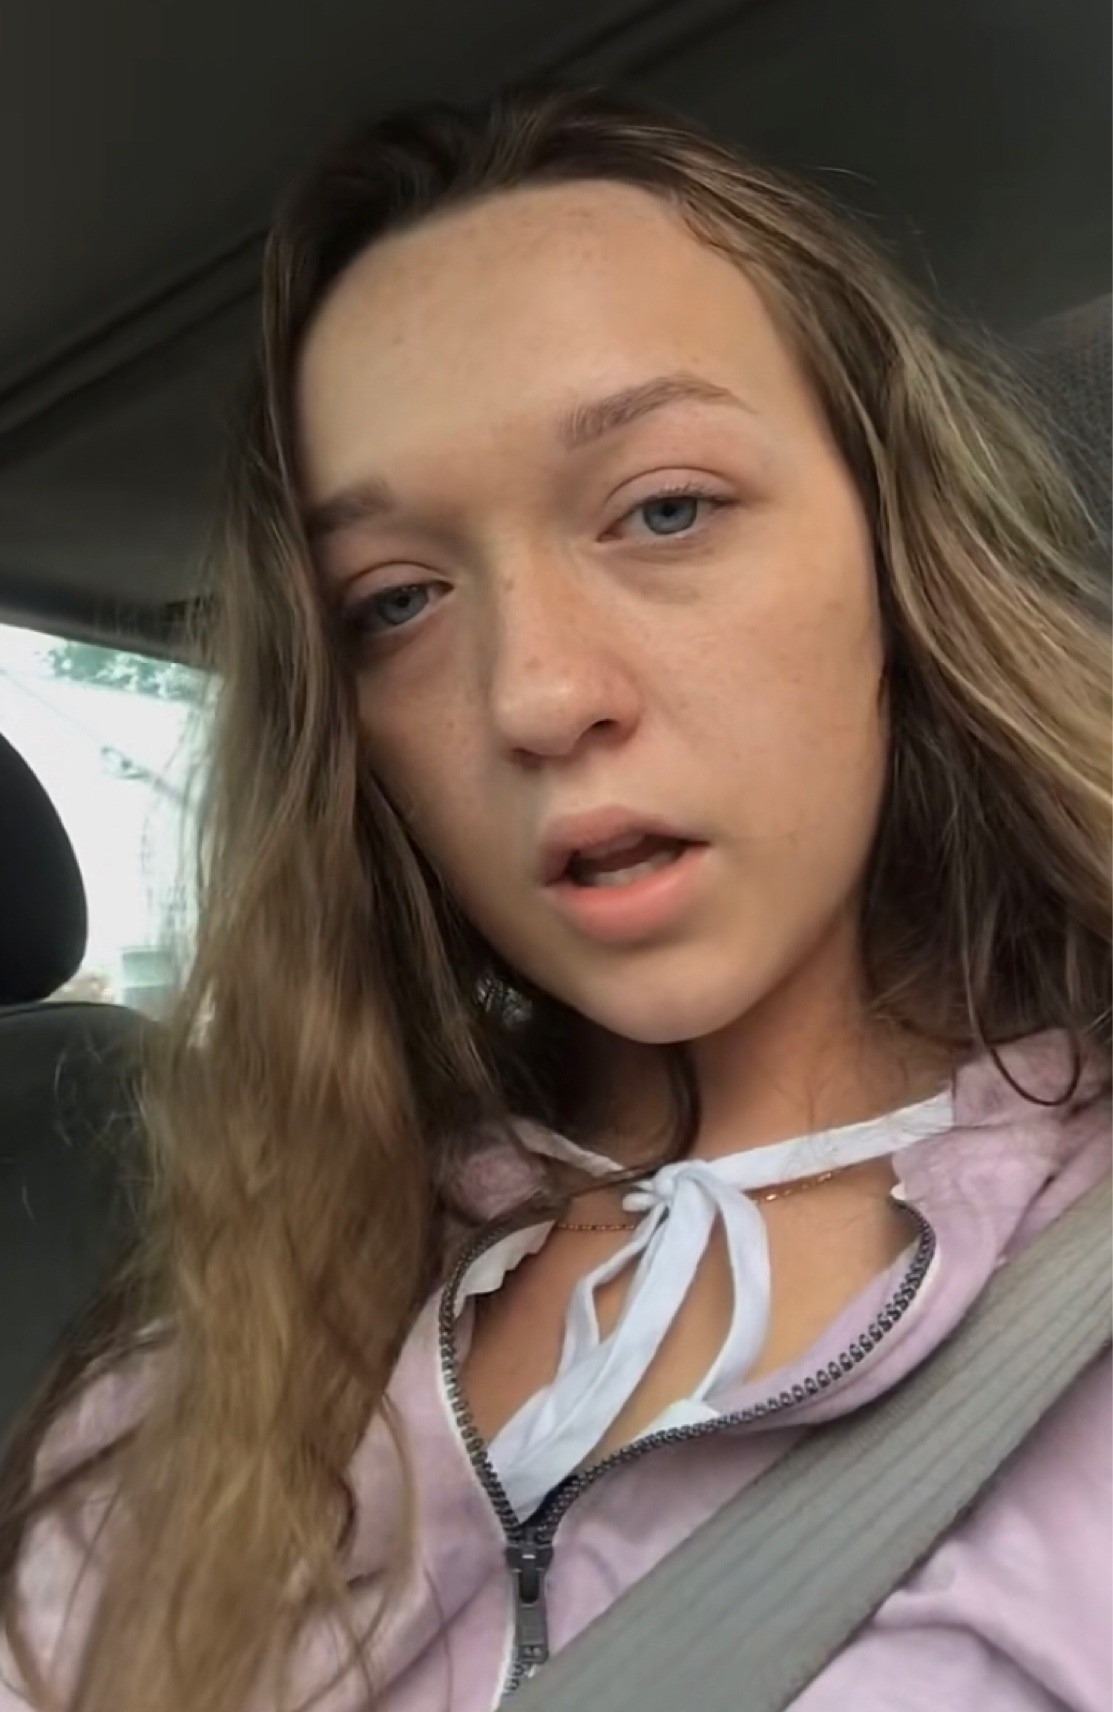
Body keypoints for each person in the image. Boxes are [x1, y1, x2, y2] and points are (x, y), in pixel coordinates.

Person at [0, 85, 1109, 1712]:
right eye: (397, 601)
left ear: (898, 553)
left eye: (665, 508)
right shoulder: (244, 1321)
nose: (532, 693)